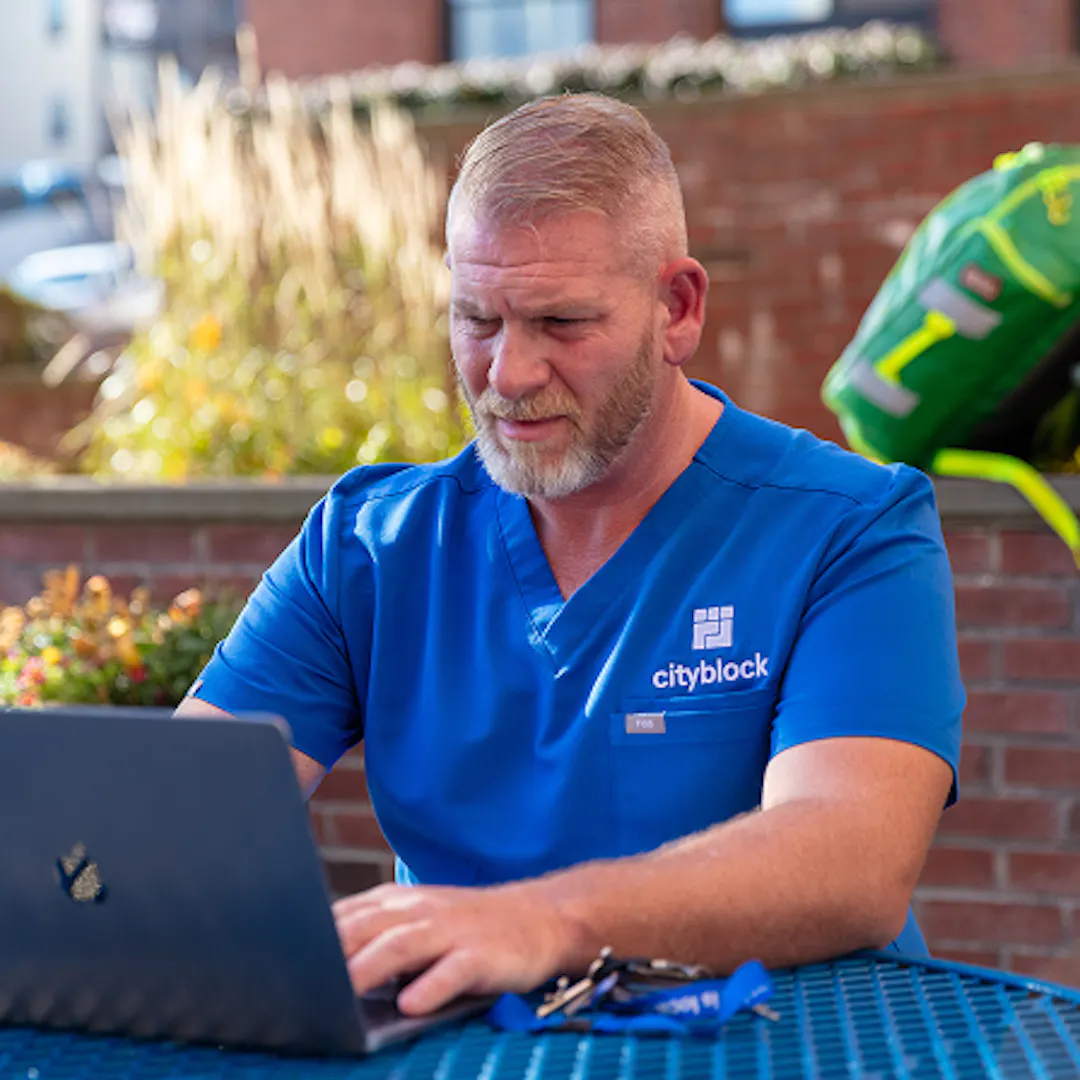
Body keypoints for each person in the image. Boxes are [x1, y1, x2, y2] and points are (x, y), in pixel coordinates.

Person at [177, 92, 963, 1018]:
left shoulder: (853, 527)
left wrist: (541, 922)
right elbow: (176, 813)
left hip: (776, 1050)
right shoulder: (368, 546)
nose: (507, 376)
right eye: (477, 320)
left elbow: (850, 861)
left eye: (560, 324)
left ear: (677, 309)